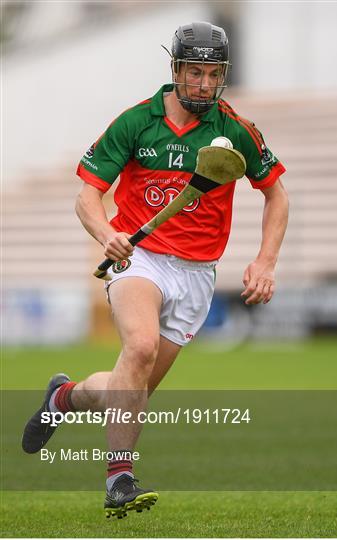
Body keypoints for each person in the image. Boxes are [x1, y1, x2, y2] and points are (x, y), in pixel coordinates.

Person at [22, 21, 289, 518]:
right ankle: (119, 477)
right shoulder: (135, 122)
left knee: (131, 388)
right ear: (176, 70)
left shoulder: (235, 129)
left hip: (196, 274)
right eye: (195, 73)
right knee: (139, 348)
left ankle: (62, 397)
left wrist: (265, 260)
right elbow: (87, 197)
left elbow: (275, 194)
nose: (204, 85)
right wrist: (107, 235)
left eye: (213, 74)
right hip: (138, 258)